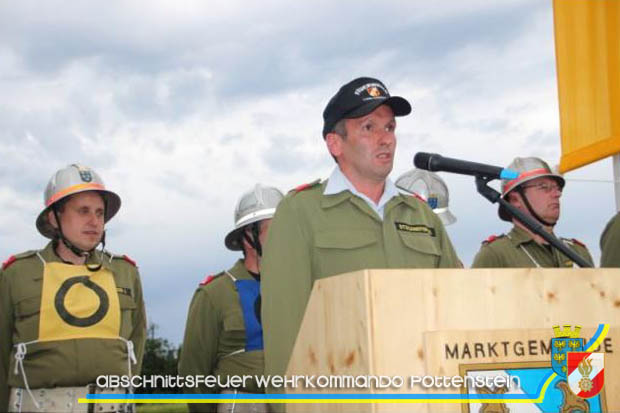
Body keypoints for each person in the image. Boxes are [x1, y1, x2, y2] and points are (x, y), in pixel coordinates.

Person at [260, 77, 461, 403]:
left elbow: (456, 307)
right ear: (334, 144)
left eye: (390, 128)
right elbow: (287, 330)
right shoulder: (301, 212)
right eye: (369, 128)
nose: (386, 140)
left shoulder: (420, 214)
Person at [0, 164, 146, 413]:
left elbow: (137, 344)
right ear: (53, 217)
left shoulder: (125, 272)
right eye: (83, 211)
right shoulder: (17, 274)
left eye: (100, 213)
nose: (94, 221)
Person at [179, 184, 284, 413]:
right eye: (275, 229)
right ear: (249, 235)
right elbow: (193, 373)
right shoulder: (215, 293)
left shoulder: (299, 288)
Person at [472, 156, 593, 268]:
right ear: (515, 199)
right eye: (544, 187)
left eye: (557, 188)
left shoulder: (578, 252)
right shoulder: (495, 255)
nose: (557, 194)